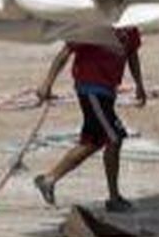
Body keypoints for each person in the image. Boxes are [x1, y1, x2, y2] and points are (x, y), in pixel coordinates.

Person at [32, 28, 147, 213]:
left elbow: (132, 55)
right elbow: (65, 52)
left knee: (93, 141)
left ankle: (49, 179)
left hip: (108, 91)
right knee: (114, 137)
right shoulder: (93, 23)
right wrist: (47, 83)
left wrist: (140, 85)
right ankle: (114, 198)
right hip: (91, 88)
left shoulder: (131, 27)